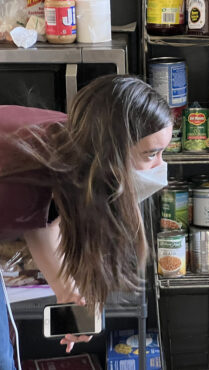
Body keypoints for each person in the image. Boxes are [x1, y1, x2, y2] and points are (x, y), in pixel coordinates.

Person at [0, 74, 173, 368]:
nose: (160, 166)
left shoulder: (78, 140)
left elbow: (38, 222)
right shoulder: (22, 177)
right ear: (111, 152)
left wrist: (68, 292)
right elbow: (31, 206)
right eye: (151, 155)